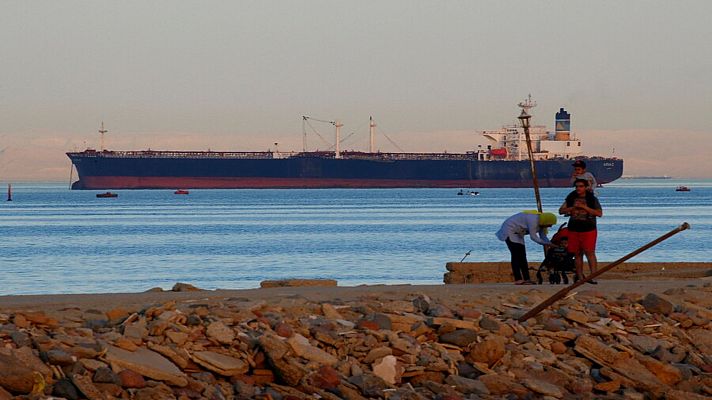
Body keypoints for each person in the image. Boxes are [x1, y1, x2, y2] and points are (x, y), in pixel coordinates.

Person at [559, 178, 603, 284]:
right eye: (577, 186)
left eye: (581, 186)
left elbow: (599, 213)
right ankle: (579, 277)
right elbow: (561, 210)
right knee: (577, 253)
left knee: (590, 252)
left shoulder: (592, 199)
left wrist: (584, 207)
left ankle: (593, 276)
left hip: (588, 229)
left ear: (586, 187)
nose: (578, 188)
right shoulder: (571, 197)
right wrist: (571, 208)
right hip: (574, 229)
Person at [496, 211, 557, 284]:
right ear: (546, 221)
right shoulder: (533, 220)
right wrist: (547, 244)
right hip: (509, 230)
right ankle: (518, 279)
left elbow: (543, 236)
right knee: (516, 255)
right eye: (550, 224)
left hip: (519, 232)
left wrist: (550, 243)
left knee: (523, 256)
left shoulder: (542, 224)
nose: (550, 226)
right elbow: (533, 237)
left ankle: (527, 278)